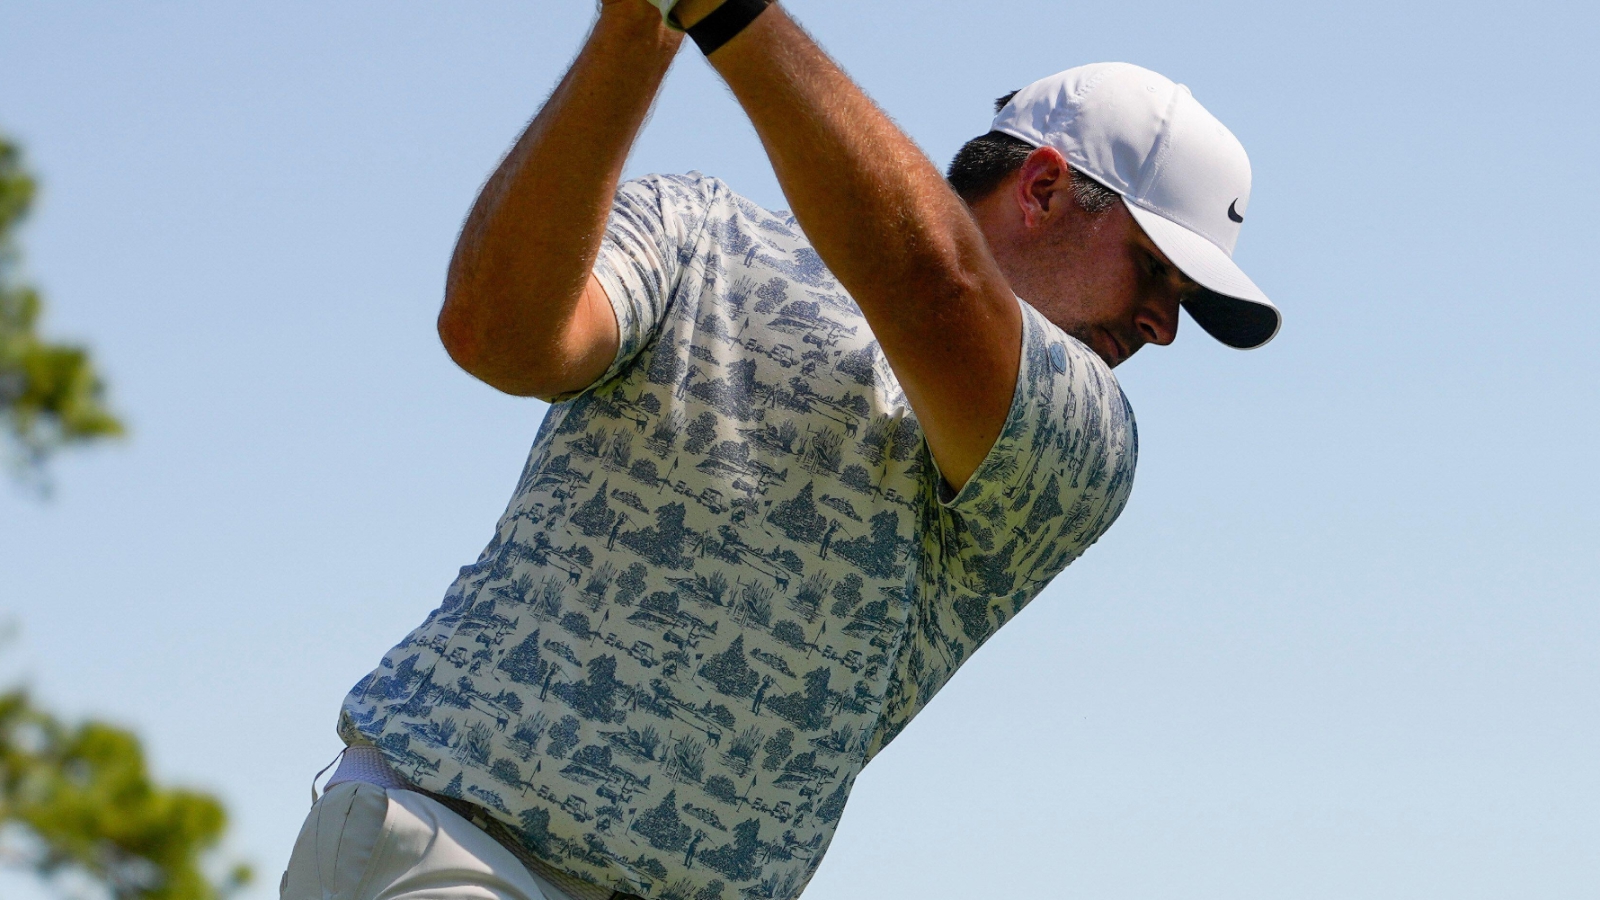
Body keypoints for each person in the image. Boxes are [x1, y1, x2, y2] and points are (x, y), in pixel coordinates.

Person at [280, 1, 1279, 899]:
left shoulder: (1085, 443)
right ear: (1045, 186)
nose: (1161, 326)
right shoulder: (697, 229)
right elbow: (496, 335)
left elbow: (938, 289)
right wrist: (637, 29)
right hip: (452, 844)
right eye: (1151, 271)